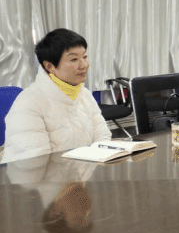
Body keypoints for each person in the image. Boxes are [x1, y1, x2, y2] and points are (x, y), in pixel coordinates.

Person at [2, 28, 111, 163]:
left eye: (85, 57)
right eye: (74, 59)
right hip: (36, 175)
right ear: (50, 66)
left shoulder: (84, 94)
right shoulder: (29, 102)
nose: (84, 65)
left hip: (82, 172)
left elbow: (103, 138)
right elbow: (33, 162)